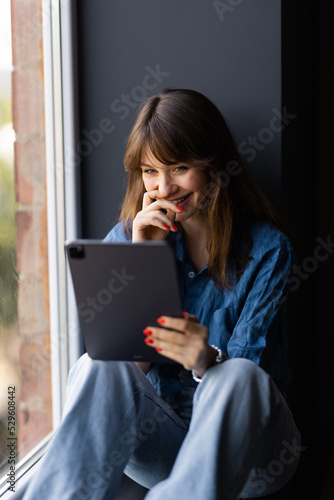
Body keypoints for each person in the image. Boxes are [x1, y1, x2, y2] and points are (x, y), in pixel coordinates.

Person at [23, 89, 301, 500]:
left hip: (253, 457)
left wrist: (205, 359)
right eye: (150, 171)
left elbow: (250, 385)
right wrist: (144, 258)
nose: (164, 187)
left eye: (180, 167)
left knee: (238, 374)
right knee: (95, 365)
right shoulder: (127, 236)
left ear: (214, 165)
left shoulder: (268, 249)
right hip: (166, 446)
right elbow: (119, 375)